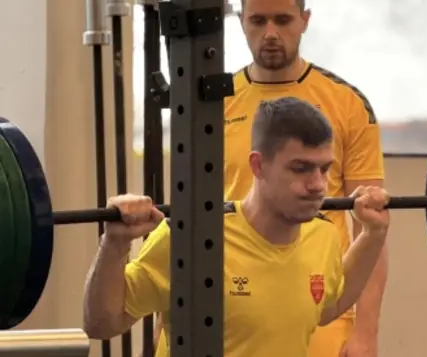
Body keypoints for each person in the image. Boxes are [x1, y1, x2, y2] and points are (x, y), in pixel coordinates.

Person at [152, 0, 388, 357]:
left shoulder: (347, 104)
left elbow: (372, 224)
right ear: (241, 22)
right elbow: (185, 218)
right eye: (258, 21)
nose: (271, 33)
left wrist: (366, 333)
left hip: (316, 300)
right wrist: (165, 325)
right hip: (227, 299)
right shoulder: (210, 103)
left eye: (283, 19)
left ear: (304, 20)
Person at [83, 97, 390, 357]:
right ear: (258, 165)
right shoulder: (189, 237)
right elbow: (100, 324)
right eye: (301, 168)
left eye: (324, 169)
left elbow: (327, 307)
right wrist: (115, 244)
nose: (318, 185)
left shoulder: (322, 236)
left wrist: (373, 235)